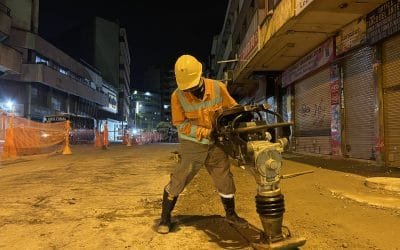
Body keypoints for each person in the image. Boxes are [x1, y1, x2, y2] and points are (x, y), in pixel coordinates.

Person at [157, 54, 248, 234]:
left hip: (216, 143)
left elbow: (233, 108)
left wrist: (234, 121)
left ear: (200, 75)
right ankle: (165, 218)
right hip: (192, 145)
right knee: (179, 179)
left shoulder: (218, 87)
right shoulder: (177, 96)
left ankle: (231, 214)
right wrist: (205, 132)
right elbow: (180, 124)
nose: (190, 90)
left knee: (224, 178)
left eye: (192, 86)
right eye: (187, 88)